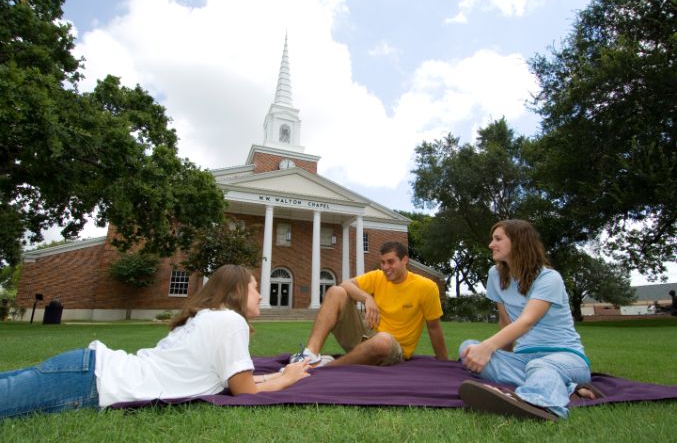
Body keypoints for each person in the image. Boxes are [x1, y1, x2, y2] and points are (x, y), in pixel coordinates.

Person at [0, 265, 310, 420]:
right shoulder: (230, 321)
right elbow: (245, 391)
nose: (261, 295)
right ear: (238, 290)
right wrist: (287, 379)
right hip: (92, 382)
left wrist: (277, 374)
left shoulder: (207, 316)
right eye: (256, 288)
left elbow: (233, 378)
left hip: (86, 368)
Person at [458, 219, 602, 421]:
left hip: (565, 358)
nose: (491, 244)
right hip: (524, 358)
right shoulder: (495, 275)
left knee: (541, 367)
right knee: (469, 348)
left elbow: (527, 321)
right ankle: (569, 389)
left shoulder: (549, 278)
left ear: (517, 242)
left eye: (498, 239)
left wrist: (488, 347)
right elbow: (506, 322)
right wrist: (495, 355)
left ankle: (537, 404)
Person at [289, 241, 448, 367]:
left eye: (390, 262)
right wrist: (367, 298)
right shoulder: (378, 277)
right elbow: (346, 284)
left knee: (383, 340)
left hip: (392, 349)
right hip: (364, 337)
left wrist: (444, 364)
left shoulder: (426, 287)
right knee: (335, 291)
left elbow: (434, 327)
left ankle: (326, 366)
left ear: (404, 260)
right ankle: (310, 354)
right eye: (382, 262)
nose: (385, 267)